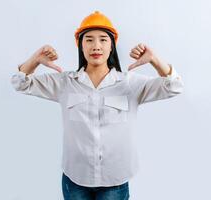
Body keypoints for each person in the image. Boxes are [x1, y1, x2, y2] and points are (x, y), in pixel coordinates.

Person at [11, 10, 184, 200]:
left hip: (115, 182)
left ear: (111, 46)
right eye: (89, 40)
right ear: (80, 46)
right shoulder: (65, 83)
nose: (96, 46)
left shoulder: (130, 84)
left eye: (103, 39)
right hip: (75, 179)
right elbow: (20, 83)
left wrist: (155, 60)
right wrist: (35, 60)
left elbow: (174, 87)